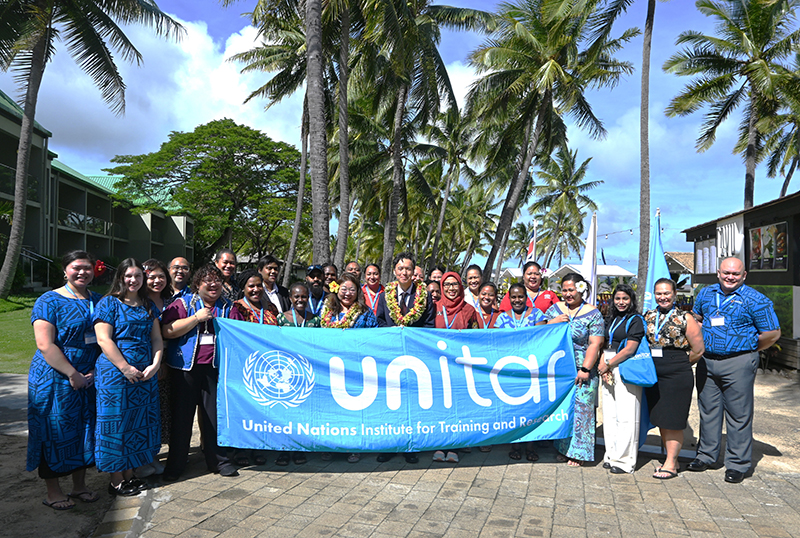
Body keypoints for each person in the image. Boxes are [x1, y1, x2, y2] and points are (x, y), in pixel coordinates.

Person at [689, 257, 780, 483]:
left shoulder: (756, 300)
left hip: (739, 362)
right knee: (708, 410)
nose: (730, 277)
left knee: (738, 414)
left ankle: (737, 464)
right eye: (726, 272)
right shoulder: (706, 293)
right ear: (718, 273)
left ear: (744, 275)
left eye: (735, 274)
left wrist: (747, 347)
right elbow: (697, 317)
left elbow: (772, 333)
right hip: (707, 361)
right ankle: (706, 456)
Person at [28, 250, 101, 510]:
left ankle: (79, 486)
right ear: (65, 270)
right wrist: (72, 374)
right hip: (55, 377)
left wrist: (91, 373)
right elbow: (45, 344)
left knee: (83, 430)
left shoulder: (99, 299)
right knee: (54, 431)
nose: (82, 272)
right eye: (76, 267)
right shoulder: (49, 300)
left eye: (87, 268)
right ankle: (53, 491)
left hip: (88, 376)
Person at [161, 264, 243, 481]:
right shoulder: (183, 303)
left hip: (215, 370)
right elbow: (166, 331)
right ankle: (176, 465)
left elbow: (240, 335)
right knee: (182, 419)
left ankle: (219, 461)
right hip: (185, 369)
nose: (213, 284)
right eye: (207, 280)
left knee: (214, 419)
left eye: (217, 280)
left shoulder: (229, 307)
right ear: (197, 285)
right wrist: (196, 318)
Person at [94, 258, 163, 496]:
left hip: (144, 375)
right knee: (116, 424)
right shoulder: (108, 303)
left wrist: (155, 364)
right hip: (115, 375)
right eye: (128, 276)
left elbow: (156, 338)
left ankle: (131, 473)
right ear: (121, 277)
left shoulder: (147, 305)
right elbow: (104, 339)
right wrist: (124, 367)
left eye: (138, 276)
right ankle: (116, 480)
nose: (133, 280)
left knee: (138, 423)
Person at [374, 252, 435, 463]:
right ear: (394, 271)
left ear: (414, 272)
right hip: (390, 358)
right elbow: (380, 321)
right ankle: (390, 445)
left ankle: (411, 446)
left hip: (415, 359)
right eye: (400, 269)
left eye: (408, 269)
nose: (404, 272)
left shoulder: (424, 296)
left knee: (412, 403)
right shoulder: (385, 295)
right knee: (390, 403)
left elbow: (429, 325)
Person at [643, 278, 705, 480]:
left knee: (674, 420)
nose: (663, 297)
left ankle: (670, 464)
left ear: (674, 294)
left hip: (677, 372)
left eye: (667, 293)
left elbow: (698, 349)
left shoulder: (685, 317)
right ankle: (674, 458)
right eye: (659, 293)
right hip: (654, 372)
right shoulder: (649, 316)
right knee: (662, 417)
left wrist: (679, 363)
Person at [545, 273, 604, 467]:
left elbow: (595, 343)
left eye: (572, 290)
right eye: (564, 290)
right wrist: (552, 323)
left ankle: (579, 452)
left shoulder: (593, 313)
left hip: (583, 369)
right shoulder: (554, 310)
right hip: (559, 369)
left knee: (583, 410)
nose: (568, 294)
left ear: (580, 289)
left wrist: (586, 368)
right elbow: (539, 332)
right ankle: (563, 448)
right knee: (564, 408)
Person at [320, 273, 379, 462]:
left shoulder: (365, 312)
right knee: (331, 408)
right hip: (331, 367)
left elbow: (373, 338)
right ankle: (329, 446)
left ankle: (353, 447)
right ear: (337, 290)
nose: (347, 293)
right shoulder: (327, 311)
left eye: (352, 289)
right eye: (343, 289)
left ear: (358, 292)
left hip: (356, 369)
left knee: (353, 409)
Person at [495, 282, 547, 462]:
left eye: (521, 296)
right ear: (509, 299)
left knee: (532, 409)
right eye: (514, 297)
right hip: (510, 370)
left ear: (526, 297)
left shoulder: (538, 314)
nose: (517, 300)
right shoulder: (501, 319)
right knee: (514, 409)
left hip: (532, 368)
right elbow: (496, 344)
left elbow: (542, 338)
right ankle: (515, 444)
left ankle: (531, 445)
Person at [596, 284, 644, 475]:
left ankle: (625, 461)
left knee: (627, 416)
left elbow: (630, 349)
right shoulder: (614, 318)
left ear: (631, 300)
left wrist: (609, 364)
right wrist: (603, 364)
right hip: (608, 367)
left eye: (625, 298)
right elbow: (607, 343)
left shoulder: (635, 320)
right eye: (617, 299)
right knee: (610, 414)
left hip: (625, 368)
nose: (621, 302)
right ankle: (612, 454)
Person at [431, 272, 478, 463]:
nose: (451, 288)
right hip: (436, 364)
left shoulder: (469, 310)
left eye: (455, 284)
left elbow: (476, 337)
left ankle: (455, 447)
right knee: (440, 405)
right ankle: (440, 445)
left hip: (460, 366)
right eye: (447, 284)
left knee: (457, 405)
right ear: (442, 287)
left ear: (461, 286)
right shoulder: (434, 307)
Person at [232, 269, 276, 467]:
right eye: (251, 286)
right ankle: (242, 448)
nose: (256, 289)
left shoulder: (271, 308)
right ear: (243, 288)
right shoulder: (236, 309)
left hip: (267, 367)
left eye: (259, 285)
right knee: (244, 409)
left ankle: (259, 446)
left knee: (262, 409)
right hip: (244, 367)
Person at [275, 282, 320, 465]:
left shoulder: (315, 320)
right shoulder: (281, 319)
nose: (300, 300)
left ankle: (300, 448)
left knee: (302, 413)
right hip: (286, 371)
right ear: (290, 299)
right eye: (297, 297)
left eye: (304, 297)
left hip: (306, 372)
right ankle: (284, 449)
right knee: (285, 412)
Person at [136, 258, 172, 479]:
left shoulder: (172, 300)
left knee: (161, 411)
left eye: (161, 276)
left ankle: (153, 455)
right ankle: (140, 460)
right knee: (144, 412)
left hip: (170, 359)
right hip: (144, 360)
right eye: (152, 276)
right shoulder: (138, 301)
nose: (157, 280)